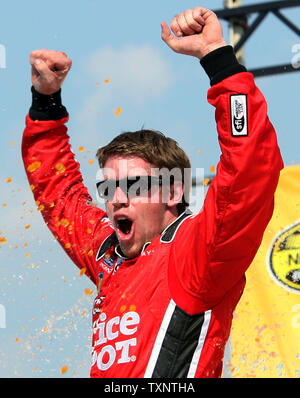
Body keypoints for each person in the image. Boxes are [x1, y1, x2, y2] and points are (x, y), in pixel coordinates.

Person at [22, 7, 283, 378]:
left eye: (132, 185)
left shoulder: (196, 253)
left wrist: (219, 60)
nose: (116, 199)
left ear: (173, 191)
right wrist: (45, 102)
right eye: (108, 187)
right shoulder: (108, 255)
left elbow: (248, 171)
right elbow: (58, 194)